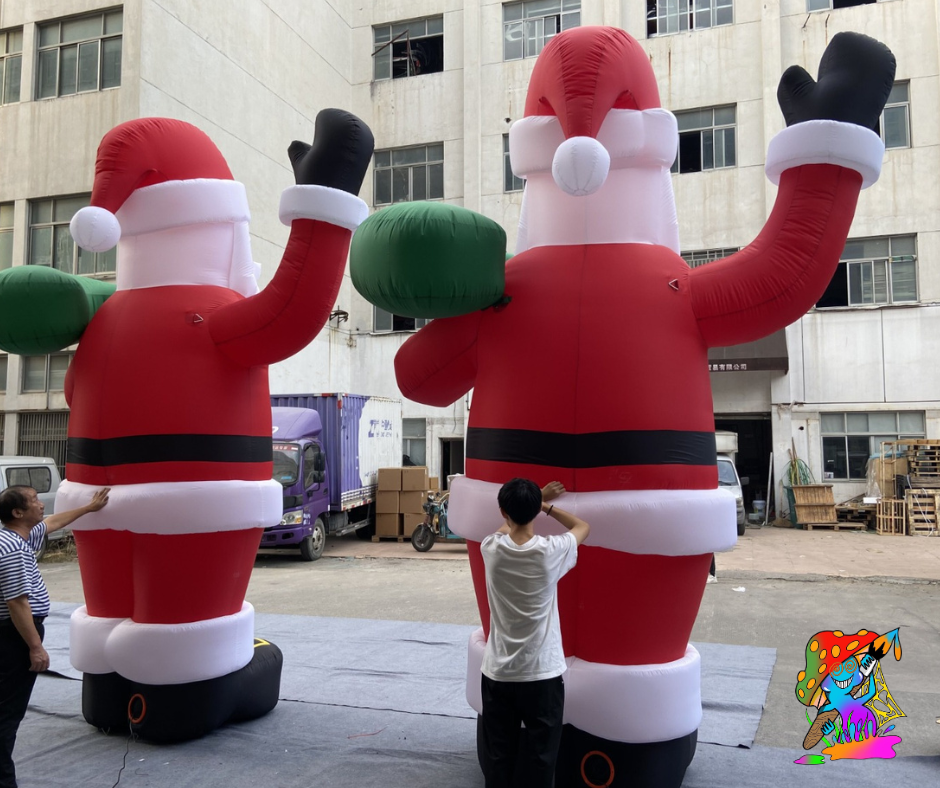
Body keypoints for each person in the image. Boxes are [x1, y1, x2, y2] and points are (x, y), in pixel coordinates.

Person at [479, 478, 589, 788]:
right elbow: (582, 527)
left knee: (499, 760)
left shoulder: (492, 550)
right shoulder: (550, 552)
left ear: (503, 511)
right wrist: (545, 505)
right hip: (542, 675)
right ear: (533, 512)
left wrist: (532, 501)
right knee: (542, 761)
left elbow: (505, 530)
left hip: (499, 674)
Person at [0, 485, 109, 788]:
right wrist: (35, 647)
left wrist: (88, 508)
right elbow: (17, 603)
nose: (41, 505)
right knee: (7, 713)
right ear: (17, 512)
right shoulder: (12, 549)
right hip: (14, 635)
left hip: (13, 631)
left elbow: (53, 523)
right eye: (34, 501)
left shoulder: (17, 535)